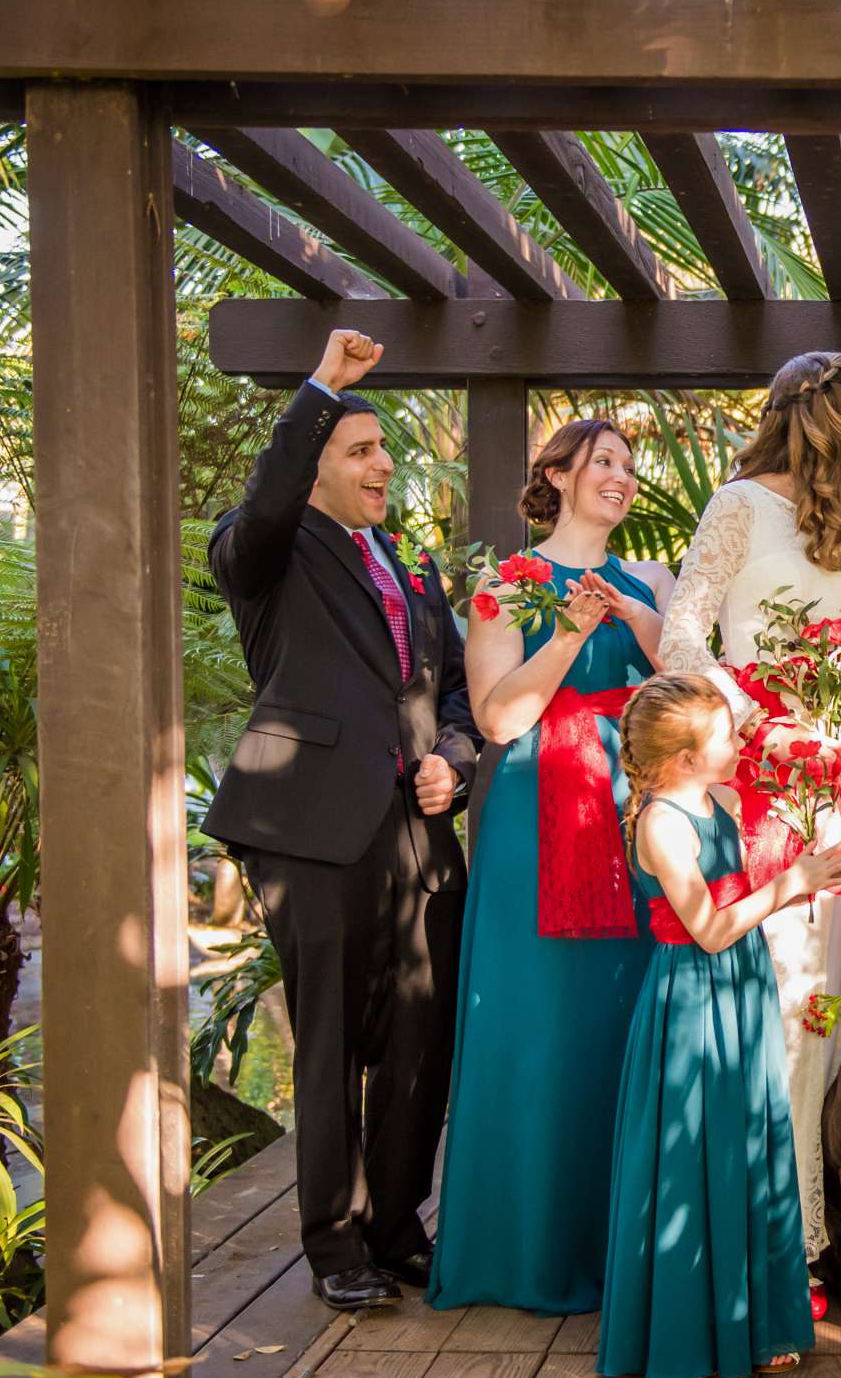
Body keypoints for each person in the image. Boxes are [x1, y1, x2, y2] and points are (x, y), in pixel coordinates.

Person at [204, 329, 478, 1311]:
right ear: (314, 460)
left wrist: (455, 759)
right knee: (327, 1041)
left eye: (385, 451)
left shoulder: (411, 558)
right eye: (360, 450)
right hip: (311, 827)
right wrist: (322, 384)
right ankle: (334, 1241)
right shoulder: (265, 546)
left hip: (420, 837)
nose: (383, 465)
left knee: (419, 1036)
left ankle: (399, 1224)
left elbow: (453, 691)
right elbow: (269, 493)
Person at [659, 350, 841, 1304]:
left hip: (837, 788)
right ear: (828, 411)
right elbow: (681, 635)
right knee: (785, 1002)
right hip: (761, 783)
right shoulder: (737, 506)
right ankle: (771, 1235)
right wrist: (764, 721)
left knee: (829, 997)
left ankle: (821, 1223)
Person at [428, 420, 673, 1313]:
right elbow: (498, 722)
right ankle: (524, 1254)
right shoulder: (507, 582)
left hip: (639, 811)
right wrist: (568, 634)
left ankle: (630, 1255)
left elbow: (688, 683)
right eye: (604, 461)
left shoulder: (652, 581)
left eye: (629, 467)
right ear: (557, 475)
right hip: (539, 819)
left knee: (623, 1018)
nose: (622, 477)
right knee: (536, 1028)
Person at [596, 673, 841, 1378]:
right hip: (692, 1003)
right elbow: (705, 929)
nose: (740, 742)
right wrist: (791, 884)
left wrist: (816, 866)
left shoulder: (719, 802)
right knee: (695, 1157)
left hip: (740, 991)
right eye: (725, 736)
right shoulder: (661, 823)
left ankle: (755, 1326)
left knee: (745, 1148)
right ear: (682, 757)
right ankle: (690, 1337)